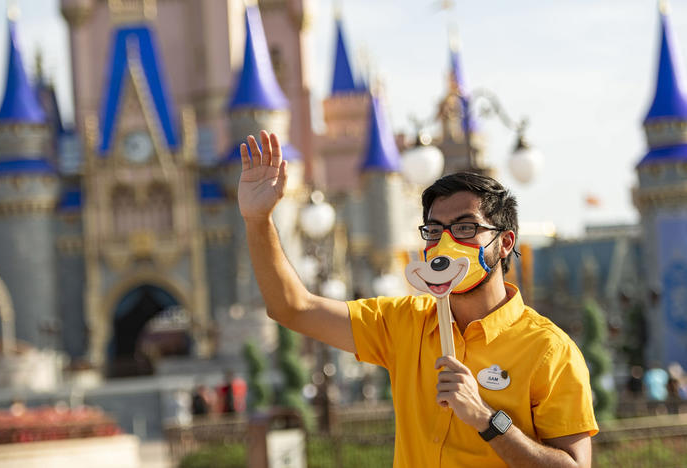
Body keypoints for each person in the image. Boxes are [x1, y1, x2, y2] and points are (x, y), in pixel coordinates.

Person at [238, 130, 598, 467]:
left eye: (465, 227)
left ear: (505, 242)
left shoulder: (549, 351)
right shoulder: (403, 323)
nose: (445, 243)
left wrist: (486, 419)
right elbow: (291, 308)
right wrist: (259, 221)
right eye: (434, 231)